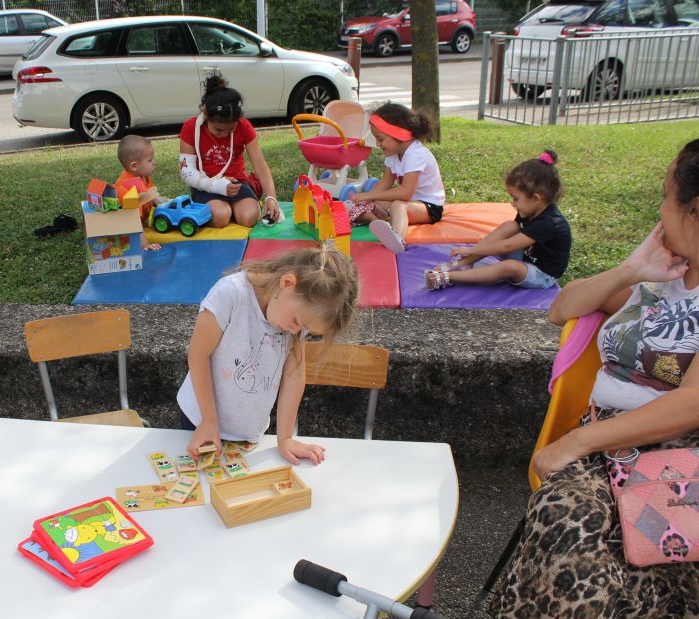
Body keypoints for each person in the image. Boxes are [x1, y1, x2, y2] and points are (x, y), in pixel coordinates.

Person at [488, 139, 699, 619]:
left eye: (666, 199)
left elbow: (692, 403)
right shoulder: (665, 274)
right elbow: (562, 307)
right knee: (566, 519)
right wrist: (631, 269)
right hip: (610, 441)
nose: (659, 211)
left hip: (677, 452)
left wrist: (577, 441)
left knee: (624, 547)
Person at [177, 246, 360, 465]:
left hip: (248, 432)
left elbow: (294, 374)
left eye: (305, 329)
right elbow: (199, 356)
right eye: (296, 321)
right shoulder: (231, 293)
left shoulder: (294, 310)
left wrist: (285, 438)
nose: (295, 331)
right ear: (287, 283)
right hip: (199, 420)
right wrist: (207, 421)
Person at [424, 150, 571, 291]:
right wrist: (472, 255)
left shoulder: (549, 223)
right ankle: (465, 263)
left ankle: (448, 277)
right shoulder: (531, 209)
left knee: (509, 267)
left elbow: (506, 247)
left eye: (516, 199)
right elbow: (509, 237)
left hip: (541, 275)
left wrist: (471, 249)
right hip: (523, 259)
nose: (513, 204)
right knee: (510, 226)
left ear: (536, 198)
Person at [178, 73, 280, 229]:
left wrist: (271, 197)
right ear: (205, 114)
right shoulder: (192, 127)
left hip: (237, 184)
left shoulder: (244, 126)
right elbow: (186, 171)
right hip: (207, 185)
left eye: (230, 129)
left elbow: (260, 165)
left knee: (249, 217)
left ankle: (240, 204)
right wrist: (216, 186)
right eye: (218, 130)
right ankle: (227, 209)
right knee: (220, 216)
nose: (225, 134)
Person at [347, 102, 445, 254]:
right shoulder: (393, 154)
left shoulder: (415, 154)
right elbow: (385, 182)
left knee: (399, 205)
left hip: (429, 207)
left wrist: (370, 194)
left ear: (398, 134)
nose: (378, 144)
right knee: (372, 203)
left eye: (381, 139)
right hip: (410, 203)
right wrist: (366, 199)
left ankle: (397, 239)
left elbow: (405, 193)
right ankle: (377, 220)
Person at [113, 134, 162, 251]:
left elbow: (151, 194)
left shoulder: (143, 176)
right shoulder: (129, 190)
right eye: (150, 160)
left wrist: (163, 206)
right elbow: (133, 221)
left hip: (142, 217)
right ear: (134, 166)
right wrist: (145, 244)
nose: (153, 162)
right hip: (129, 219)